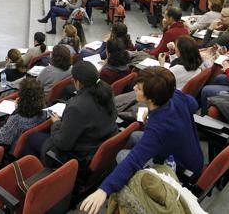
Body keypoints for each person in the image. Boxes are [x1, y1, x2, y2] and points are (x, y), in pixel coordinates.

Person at [80, 67, 204, 214]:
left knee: (122, 156)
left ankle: (119, 185)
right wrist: (155, 114)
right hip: (193, 154)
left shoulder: (157, 129)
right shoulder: (173, 95)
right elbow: (193, 104)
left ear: (150, 98)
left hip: (182, 168)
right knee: (133, 136)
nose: (134, 88)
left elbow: (133, 160)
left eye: (138, 88)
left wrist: (104, 189)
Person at [30, 61, 118, 162]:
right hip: (99, 141)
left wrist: (57, 123)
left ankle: (43, 172)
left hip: (82, 153)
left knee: (32, 138)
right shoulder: (107, 91)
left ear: (78, 82)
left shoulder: (77, 107)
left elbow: (63, 144)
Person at [0, 78, 47, 148]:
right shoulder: (44, 113)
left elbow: (2, 139)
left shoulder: (16, 118)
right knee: (2, 123)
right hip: (26, 140)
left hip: (12, 146)